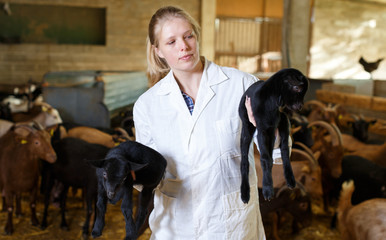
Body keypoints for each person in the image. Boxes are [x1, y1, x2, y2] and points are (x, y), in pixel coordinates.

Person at [134, 6, 286, 239]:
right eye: (171, 41)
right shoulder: (147, 105)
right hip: (176, 226)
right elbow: (148, 174)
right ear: (158, 51)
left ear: (196, 36)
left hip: (231, 225)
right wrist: (129, 174)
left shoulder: (242, 85)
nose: (183, 46)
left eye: (188, 36)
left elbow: (275, 152)